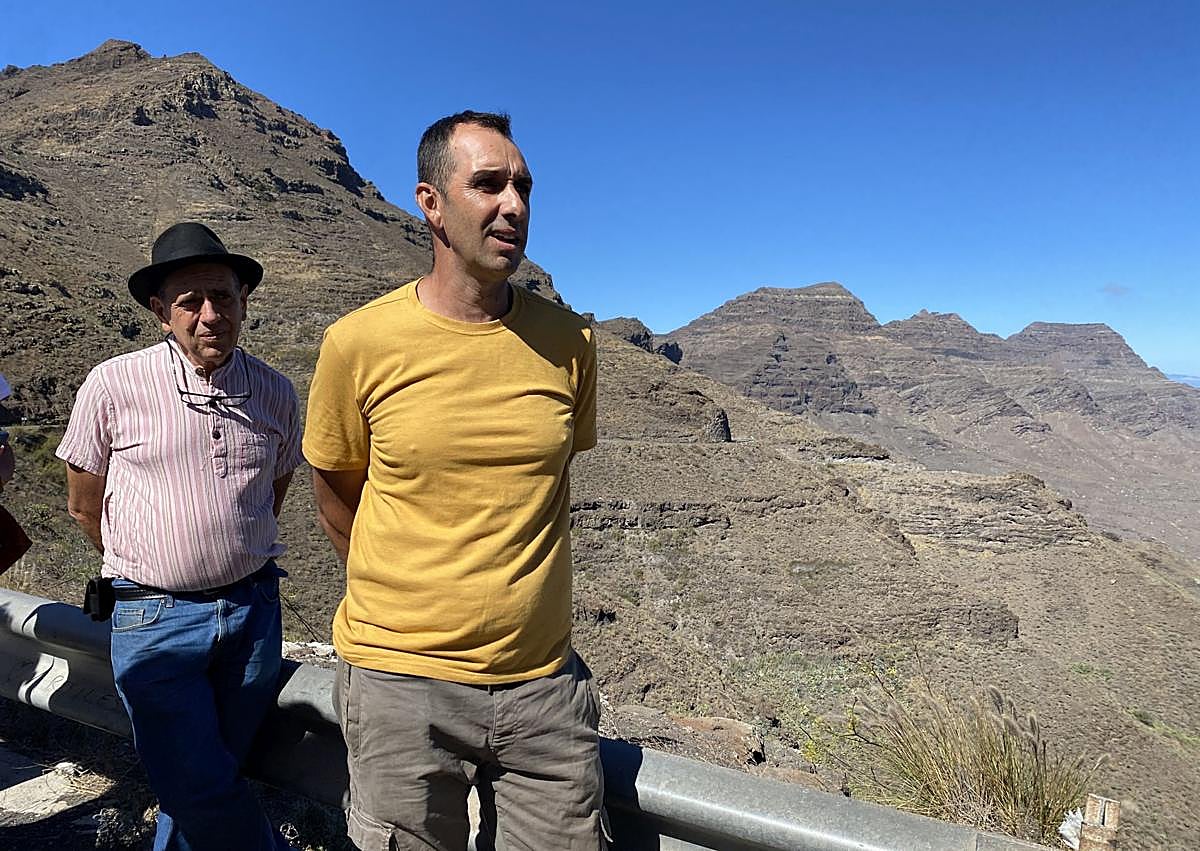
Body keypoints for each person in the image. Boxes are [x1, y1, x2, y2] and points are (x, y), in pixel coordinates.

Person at [304, 111, 605, 850]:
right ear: (430, 203)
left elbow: (542, 487)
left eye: (524, 187)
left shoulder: (572, 342)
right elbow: (337, 499)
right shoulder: (358, 344)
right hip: (401, 687)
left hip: (543, 691)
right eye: (489, 184)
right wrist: (410, 607)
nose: (515, 206)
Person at [56, 222, 302, 851]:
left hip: (253, 614)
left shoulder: (275, 391)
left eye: (224, 297)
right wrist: (151, 567)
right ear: (161, 311)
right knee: (200, 784)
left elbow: (270, 496)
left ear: (245, 301)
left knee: (203, 778)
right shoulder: (113, 384)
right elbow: (85, 507)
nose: (210, 315)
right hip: (152, 617)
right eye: (191, 302)